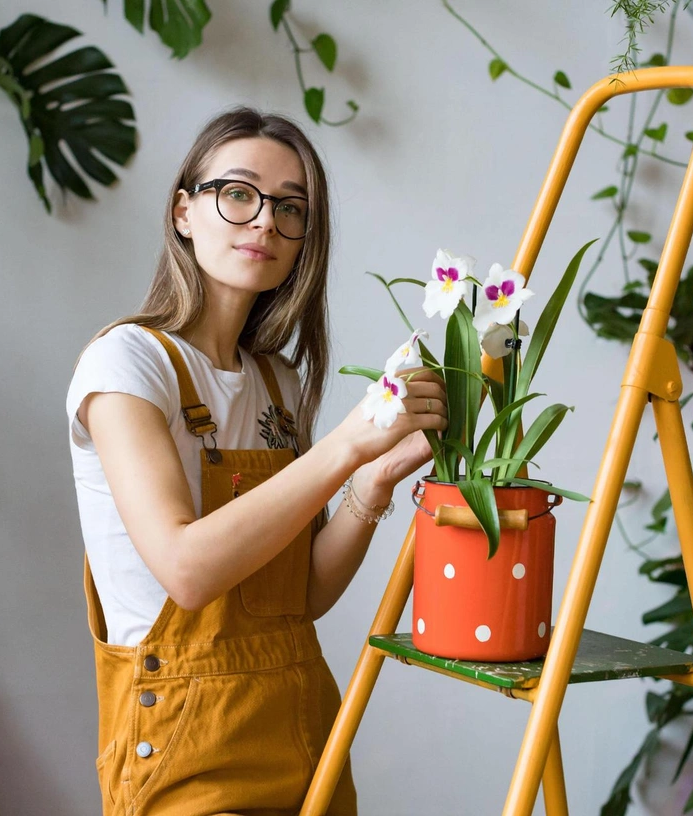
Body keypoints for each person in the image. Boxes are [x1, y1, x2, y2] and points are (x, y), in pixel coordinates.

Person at [65, 106, 447, 816]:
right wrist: (345, 446)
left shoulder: (278, 381)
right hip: (185, 745)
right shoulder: (126, 364)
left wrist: (374, 478)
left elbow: (301, 597)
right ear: (184, 212)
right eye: (238, 194)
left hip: (300, 724)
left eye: (290, 207)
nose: (266, 221)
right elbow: (187, 570)